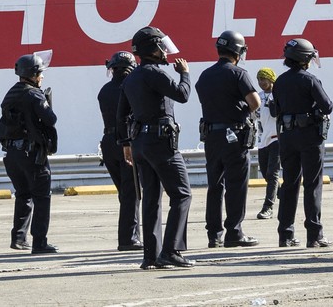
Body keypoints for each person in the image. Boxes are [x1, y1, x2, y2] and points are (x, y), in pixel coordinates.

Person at [118, 26, 193, 269]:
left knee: (151, 198)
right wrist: (184, 73)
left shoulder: (131, 78)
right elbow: (182, 95)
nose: (166, 52)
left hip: (140, 143)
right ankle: (171, 251)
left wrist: (126, 144)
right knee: (182, 194)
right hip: (161, 142)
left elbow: (121, 115)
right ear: (153, 49)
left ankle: (150, 256)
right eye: (162, 46)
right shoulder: (156, 74)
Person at [197, 30, 261, 249]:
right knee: (236, 185)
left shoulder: (205, 75)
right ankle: (234, 232)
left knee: (215, 185)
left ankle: (214, 235)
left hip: (212, 136)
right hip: (234, 136)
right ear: (238, 51)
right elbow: (255, 102)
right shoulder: (238, 74)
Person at [273, 38, 333, 249]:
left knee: (289, 184)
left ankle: (285, 234)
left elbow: (276, 109)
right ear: (305, 58)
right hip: (309, 137)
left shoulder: (280, 81)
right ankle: (314, 235)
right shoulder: (309, 80)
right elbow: (327, 106)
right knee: (312, 184)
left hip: (287, 137)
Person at [0, 53, 59, 253]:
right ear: (32, 74)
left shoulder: (11, 93)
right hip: (31, 154)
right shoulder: (34, 94)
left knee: (23, 195)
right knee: (42, 196)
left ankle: (18, 238)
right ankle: (40, 242)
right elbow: (50, 119)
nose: (42, 77)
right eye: (40, 73)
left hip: (12, 154)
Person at [99, 51, 142, 250]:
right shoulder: (130, 88)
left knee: (124, 192)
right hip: (127, 143)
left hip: (108, 142)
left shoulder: (104, 90)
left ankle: (131, 234)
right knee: (131, 193)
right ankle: (129, 239)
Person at [254, 68, 279, 220]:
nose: (262, 82)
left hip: (277, 138)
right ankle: (282, 194)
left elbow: (277, 114)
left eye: (264, 79)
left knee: (272, 173)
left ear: (271, 80)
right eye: (259, 79)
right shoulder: (258, 96)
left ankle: (267, 207)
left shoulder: (279, 95)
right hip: (263, 140)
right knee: (264, 173)